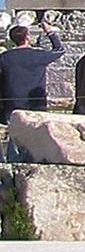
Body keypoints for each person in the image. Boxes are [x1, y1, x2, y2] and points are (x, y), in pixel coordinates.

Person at [0, 21, 66, 161]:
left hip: (12, 101)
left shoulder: (5, 57)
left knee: (15, 135)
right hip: (35, 102)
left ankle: (13, 167)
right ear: (27, 37)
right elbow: (59, 50)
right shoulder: (37, 55)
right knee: (36, 135)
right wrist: (50, 32)